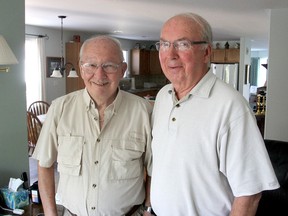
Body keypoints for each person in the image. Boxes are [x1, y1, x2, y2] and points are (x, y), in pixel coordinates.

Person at [150, 12, 279, 215]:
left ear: (206, 52)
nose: (171, 54)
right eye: (164, 44)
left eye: (182, 44)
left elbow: (250, 193)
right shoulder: (162, 97)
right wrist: (151, 207)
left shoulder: (231, 106)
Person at [32, 35, 154, 216]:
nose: (99, 75)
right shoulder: (59, 108)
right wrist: (51, 213)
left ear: (123, 69)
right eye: (91, 65)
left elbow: (154, 168)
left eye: (109, 66)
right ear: (81, 68)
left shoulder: (144, 111)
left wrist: (148, 208)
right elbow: (44, 164)